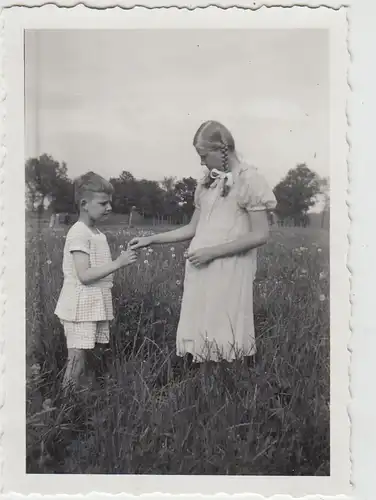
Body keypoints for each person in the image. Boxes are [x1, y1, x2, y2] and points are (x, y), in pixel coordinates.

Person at [130, 120, 276, 363]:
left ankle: (227, 379)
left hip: (228, 265)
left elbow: (260, 234)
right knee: (202, 322)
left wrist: (212, 252)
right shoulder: (207, 183)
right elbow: (192, 228)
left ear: (222, 149)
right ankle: (202, 377)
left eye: (203, 155)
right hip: (201, 265)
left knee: (224, 322)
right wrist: (151, 239)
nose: (201, 162)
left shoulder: (249, 180)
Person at [55, 171, 138, 391]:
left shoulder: (96, 232)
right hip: (80, 304)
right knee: (77, 357)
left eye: (109, 202)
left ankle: (85, 397)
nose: (109, 207)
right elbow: (84, 275)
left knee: (93, 354)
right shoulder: (78, 233)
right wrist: (118, 263)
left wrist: (121, 259)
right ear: (84, 204)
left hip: (96, 302)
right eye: (103, 203)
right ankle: (67, 404)